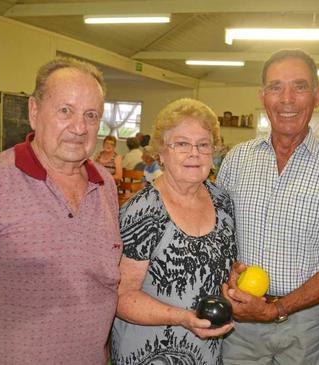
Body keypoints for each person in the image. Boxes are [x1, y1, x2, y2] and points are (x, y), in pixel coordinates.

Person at [0, 58, 122, 364]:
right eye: (65, 111)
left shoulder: (106, 185)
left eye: (91, 115)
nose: (79, 127)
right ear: (34, 111)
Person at [217, 49, 319, 364]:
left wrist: (277, 309)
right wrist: (227, 271)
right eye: (275, 87)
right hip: (240, 319)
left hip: (305, 325)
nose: (287, 99)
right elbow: (218, 237)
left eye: (299, 86)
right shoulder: (236, 160)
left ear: (317, 95)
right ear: (262, 96)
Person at [111, 98, 237, 364]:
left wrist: (232, 276)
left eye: (203, 145)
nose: (194, 153)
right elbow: (122, 297)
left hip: (206, 351)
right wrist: (182, 317)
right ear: (161, 152)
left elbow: (215, 266)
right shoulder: (143, 212)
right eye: (181, 144)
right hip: (149, 351)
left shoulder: (222, 201)